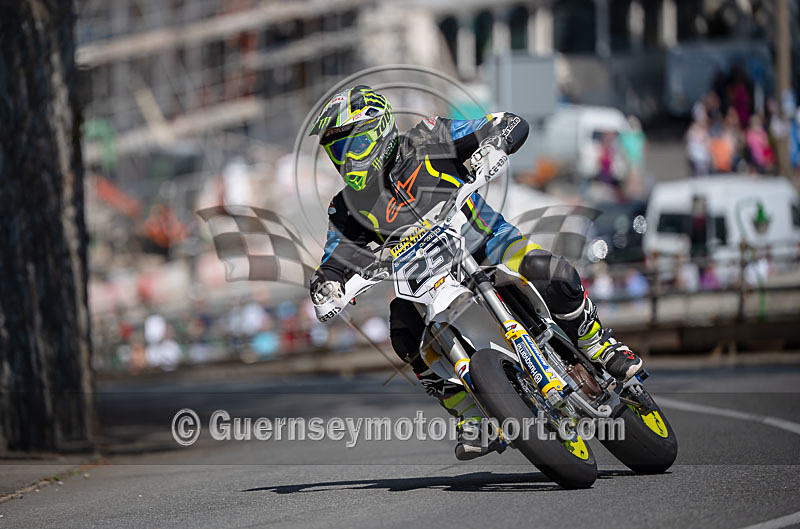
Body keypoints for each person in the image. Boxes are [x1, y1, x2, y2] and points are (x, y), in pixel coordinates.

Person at [307, 86, 644, 460]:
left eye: (348, 147)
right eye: (335, 152)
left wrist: (496, 142)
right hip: (429, 279)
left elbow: (507, 124)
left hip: (487, 243)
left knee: (548, 270)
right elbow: (335, 258)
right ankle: (470, 416)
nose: (344, 160)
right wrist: (327, 286)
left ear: (378, 130)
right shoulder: (346, 206)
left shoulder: (428, 137)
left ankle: (596, 342)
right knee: (403, 331)